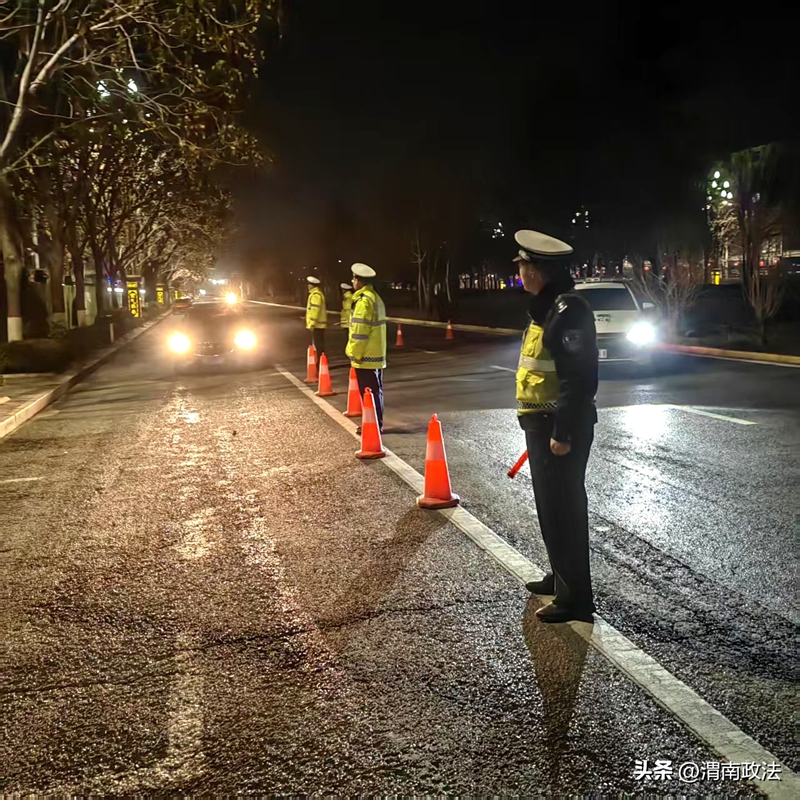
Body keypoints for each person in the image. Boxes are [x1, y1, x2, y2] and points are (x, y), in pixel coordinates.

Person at [513, 229, 599, 624]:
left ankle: (576, 598)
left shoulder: (570, 310)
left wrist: (562, 432)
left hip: (558, 429)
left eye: (524, 265)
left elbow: (578, 379)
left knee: (565, 509)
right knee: (549, 508)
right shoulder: (546, 309)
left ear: (541, 269)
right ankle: (560, 576)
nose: (519, 272)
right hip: (540, 425)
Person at [346, 263, 387, 434]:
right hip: (376, 354)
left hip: (365, 355)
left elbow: (359, 332)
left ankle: (373, 426)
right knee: (376, 391)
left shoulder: (364, 301)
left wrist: (354, 353)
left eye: (354, 278)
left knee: (368, 393)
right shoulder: (375, 297)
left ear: (358, 281)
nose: (353, 281)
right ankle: (376, 423)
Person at [305, 275, 327, 364]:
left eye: (309, 284)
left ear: (312, 285)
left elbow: (315, 310)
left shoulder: (315, 295)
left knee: (318, 346)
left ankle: (320, 363)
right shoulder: (316, 294)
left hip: (318, 325)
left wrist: (312, 323)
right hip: (318, 324)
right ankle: (320, 362)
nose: (308, 286)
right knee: (318, 345)